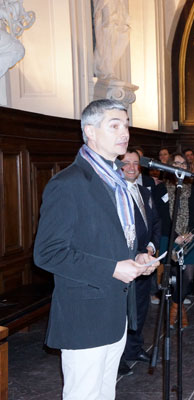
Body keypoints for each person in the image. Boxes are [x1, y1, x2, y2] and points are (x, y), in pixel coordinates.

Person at [33, 99, 159, 399]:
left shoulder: (114, 179)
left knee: (104, 392)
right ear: (90, 131)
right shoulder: (69, 183)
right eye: (114, 125)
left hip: (115, 311)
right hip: (85, 314)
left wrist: (135, 257)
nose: (124, 132)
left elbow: (109, 240)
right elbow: (48, 252)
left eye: (126, 124)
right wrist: (114, 268)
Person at [118, 149, 162, 376]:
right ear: (118, 165)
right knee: (124, 312)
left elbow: (155, 222)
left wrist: (151, 248)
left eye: (136, 163)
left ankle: (134, 349)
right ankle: (119, 358)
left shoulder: (145, 192)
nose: (133, 167)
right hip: (125, 263)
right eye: (127, 163)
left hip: (146, 261)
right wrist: (136, 253)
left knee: (141, 307)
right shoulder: (115, 193)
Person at [153, 153, 194, 329]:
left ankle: (175, 306)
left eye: (183, 164)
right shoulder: (160, 189)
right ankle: (177, 311)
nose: (180, 166)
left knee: (188, 276)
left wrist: (190, 234)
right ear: (170, 166)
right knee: (173, 276)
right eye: (176, 163)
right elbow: (159, 217)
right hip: (169, 238)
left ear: (187, 168)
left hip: (190, 239)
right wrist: (175, 237)